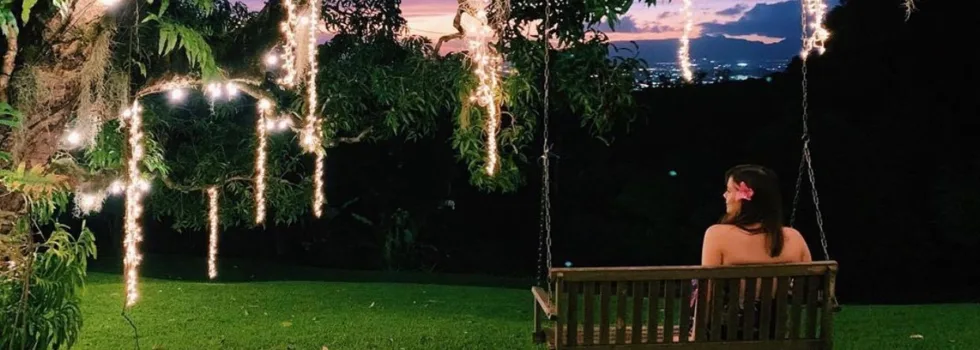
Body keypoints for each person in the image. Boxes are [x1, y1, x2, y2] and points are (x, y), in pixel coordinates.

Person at [689, 164, 813, 341]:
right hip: (774, 334)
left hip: (726, 334)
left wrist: (696, 337)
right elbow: (808, 289)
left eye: (729, 191)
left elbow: (706, 293)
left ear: (745, 198)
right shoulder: (794, 238)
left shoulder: (717, 235)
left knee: (697, 283)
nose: (725, 196)